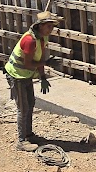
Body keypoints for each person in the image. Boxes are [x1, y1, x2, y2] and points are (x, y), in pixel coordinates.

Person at [4, 11, 59, 152]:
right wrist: (46, 64)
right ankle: (21, 141)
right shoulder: (29, 40)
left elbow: (38, 58)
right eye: (49, 26)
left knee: (30, 104)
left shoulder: (42, 38)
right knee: (23, 107)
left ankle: (28, 135)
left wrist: (43, 76)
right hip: (17, 75)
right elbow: (29, 63)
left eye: (52, 26)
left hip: (25, 75)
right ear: (40, 26)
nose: (51, 29)